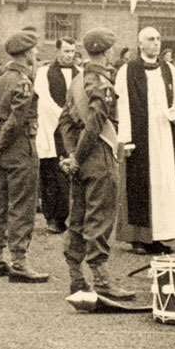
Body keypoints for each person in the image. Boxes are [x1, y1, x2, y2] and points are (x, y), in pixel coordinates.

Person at [58, 28, 135, 299]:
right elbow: (95, 124)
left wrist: (72, 156)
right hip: (98, 156)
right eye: (111, 49)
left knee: (77, 218)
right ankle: (102, 282)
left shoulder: (77, 81)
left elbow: (65, 121)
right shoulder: (102, 83)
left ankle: (76, 278)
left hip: (79, 159)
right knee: (100, 218)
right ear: (106, 52)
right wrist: (79, 156)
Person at [114, 26, 175, 255]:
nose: (156, 43)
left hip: (164, 134)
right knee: (139, 182)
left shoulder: (170, 70)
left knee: (163, 182)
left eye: (158, 38)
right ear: (140, 44)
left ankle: (159, 236)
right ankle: (138, 238)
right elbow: (123, 106)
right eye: (150, 39)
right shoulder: (128, 71)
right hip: (139, 135)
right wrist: (125, 139)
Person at [0, 32, 49, 283]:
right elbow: (15, 122)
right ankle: (19, 262)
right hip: (20, 148)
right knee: (22, 206)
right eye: (33, 50)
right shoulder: (23, 82)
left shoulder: (1, 79)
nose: (36, 54)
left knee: (1, 205)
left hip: (2, 151)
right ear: (26, 53)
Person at [33, 36, 77, 234]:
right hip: (51, 129)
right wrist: (66, 116)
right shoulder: (43, 73)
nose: (69, 55)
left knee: (69, 175)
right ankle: (53, 218)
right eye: (66, 51)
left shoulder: (80, 73)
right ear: (57, 52)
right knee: (51, 175)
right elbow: (46, 100)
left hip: (72, 130)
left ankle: (71, 216)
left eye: (72, 51)